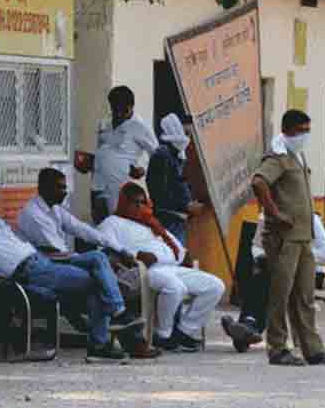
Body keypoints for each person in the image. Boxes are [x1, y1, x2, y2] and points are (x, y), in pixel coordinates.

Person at [0, 177, 137, 362]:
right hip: (30, 271)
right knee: (98, 281)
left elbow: (83, 230)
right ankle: (104, 336)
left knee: (99, 258)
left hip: (41, 261)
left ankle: (115, 311)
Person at [17, 168, 158, 358]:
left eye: (65, 187)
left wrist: (119, 249)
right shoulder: (33, 214)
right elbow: (56, 251)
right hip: (45, 267)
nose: (65, 191)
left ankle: (103, 341)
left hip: (61, 262)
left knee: (101, 279)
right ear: (44, 188)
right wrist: (93, 259)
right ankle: (118, 325)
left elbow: (83, 230)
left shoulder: (55, 209)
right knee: (99, 269)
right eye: (60, 188)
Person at [251, 109, 325, 366]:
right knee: (281, 294)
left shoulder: (296, 156)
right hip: (284, 238)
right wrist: (275, 213)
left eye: (307, 130)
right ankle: (278, 347)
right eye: (302, 130)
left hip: (303, 237)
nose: (306, 135)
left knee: (304, 295)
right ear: (288, 130)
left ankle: (312, 349)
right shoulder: (278, 156)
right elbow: (259, 182)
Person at [99, 183, 225, 353]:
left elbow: (175, 246)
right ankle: (163, 335)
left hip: (172, 267)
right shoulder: (112, 222)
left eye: (143, 202)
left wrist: (183, 254)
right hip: (146, 270)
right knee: (175, 287)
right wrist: (136, 255)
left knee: (215, 286)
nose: (139, 207)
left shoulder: (150, 222)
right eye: (134, 203)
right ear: (123, 202)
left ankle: (184, 332)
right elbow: (105, 248)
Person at [222, 212, 325, 351]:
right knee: (263, 273)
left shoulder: (310, 219)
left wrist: (291, 253)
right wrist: (269, 254)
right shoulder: (266, 217)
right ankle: (247, 327)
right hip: (276, 270)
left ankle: (249, 327)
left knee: (269, 278)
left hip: (309, 273)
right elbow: (256, 248)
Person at [91, 86, 159, 224]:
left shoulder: (140, 127)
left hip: (120, 189)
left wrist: (142, 168)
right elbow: (101, 150)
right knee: (100, 226)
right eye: (115, 109)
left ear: (131, 106)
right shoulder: (104, 123)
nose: (118, 114)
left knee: (118, 226)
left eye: (123, 110)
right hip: (98, 184)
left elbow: (157, 155)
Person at [146, 113, 204, 245]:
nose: (187, 138)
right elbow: (160, 193)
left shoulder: (175, 155)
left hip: (177, 219)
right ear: (175, 129)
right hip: (167, 220)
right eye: (185, 133)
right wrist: (186, 205)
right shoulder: (163, 155)